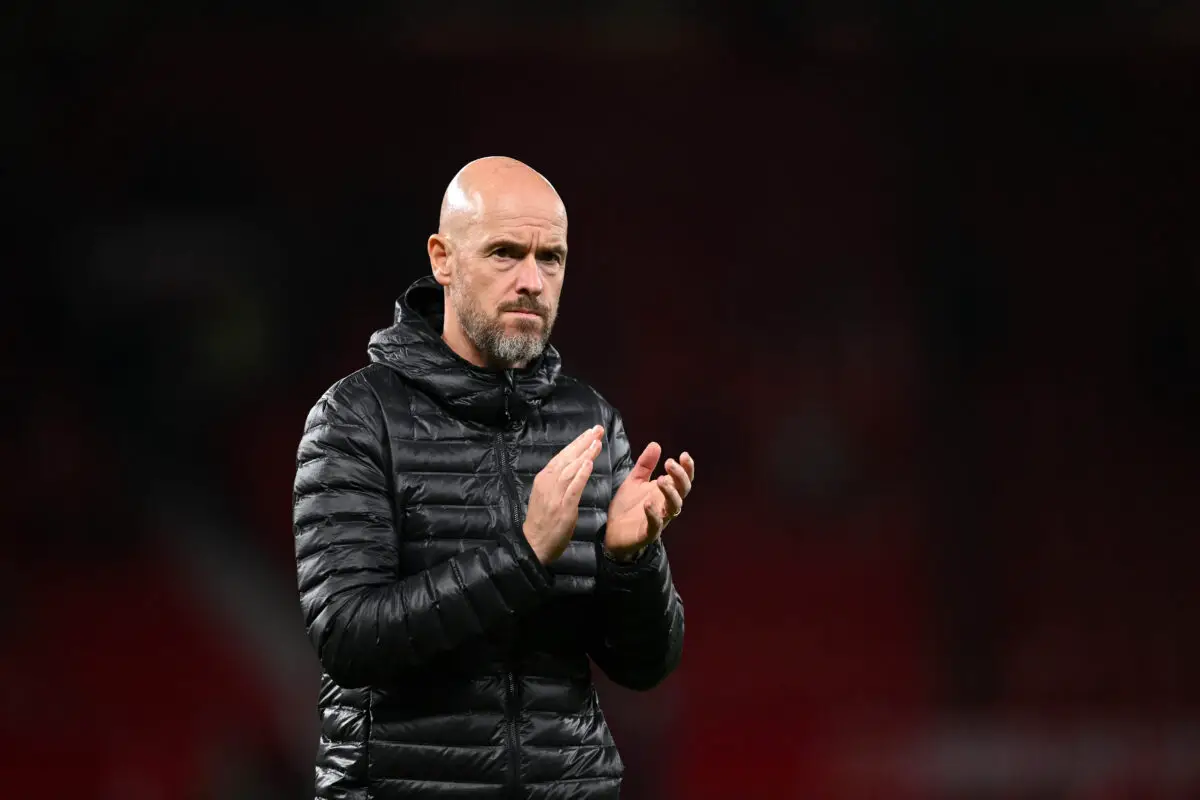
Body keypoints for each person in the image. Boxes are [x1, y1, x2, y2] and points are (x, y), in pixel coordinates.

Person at [292, 156, 692, 799]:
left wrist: (632, 563)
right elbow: (349, 637)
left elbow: (646, 667)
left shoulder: (590, 421)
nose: (532, 280)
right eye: (505, 253)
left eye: (551, 258)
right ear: (443, 259)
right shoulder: (355, 418)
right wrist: (524, 554)